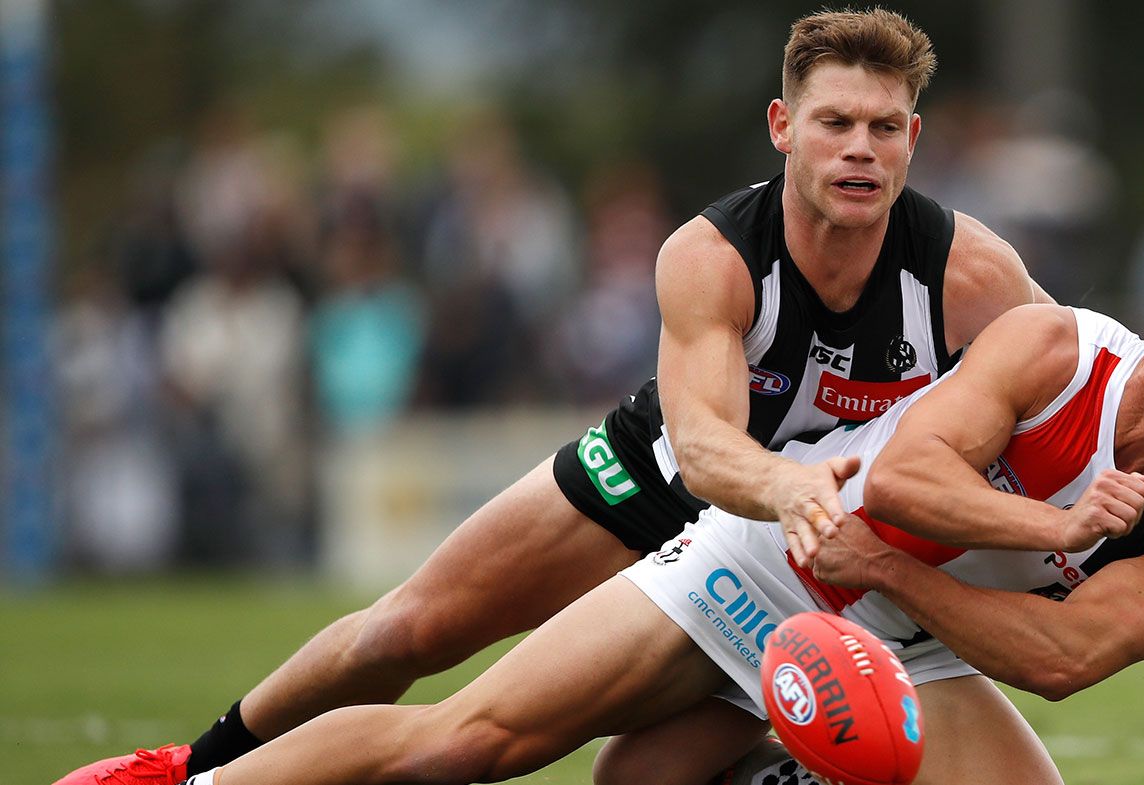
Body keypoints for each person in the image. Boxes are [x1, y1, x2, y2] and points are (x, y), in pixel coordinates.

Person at [55, 9, 1050, 785]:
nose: (859, 149)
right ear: (784, 126)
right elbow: (705, 447)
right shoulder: (713, 254)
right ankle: (188, 763)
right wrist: (789, 489)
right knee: (411, 632)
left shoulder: (969, 270)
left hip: (817, 555)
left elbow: (1069, 384)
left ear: (915, 138)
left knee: (624, 761)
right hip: (670, 482)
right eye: (834, 122)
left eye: (884, 127)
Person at [160, 206, 1144, 785]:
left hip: (897, 619)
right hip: (760, 560)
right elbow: (904, 475)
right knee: (467, 739)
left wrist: (891, 575)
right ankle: (201, 783)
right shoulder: (1056, 350)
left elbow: (1060, 655)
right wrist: (1050, 523)